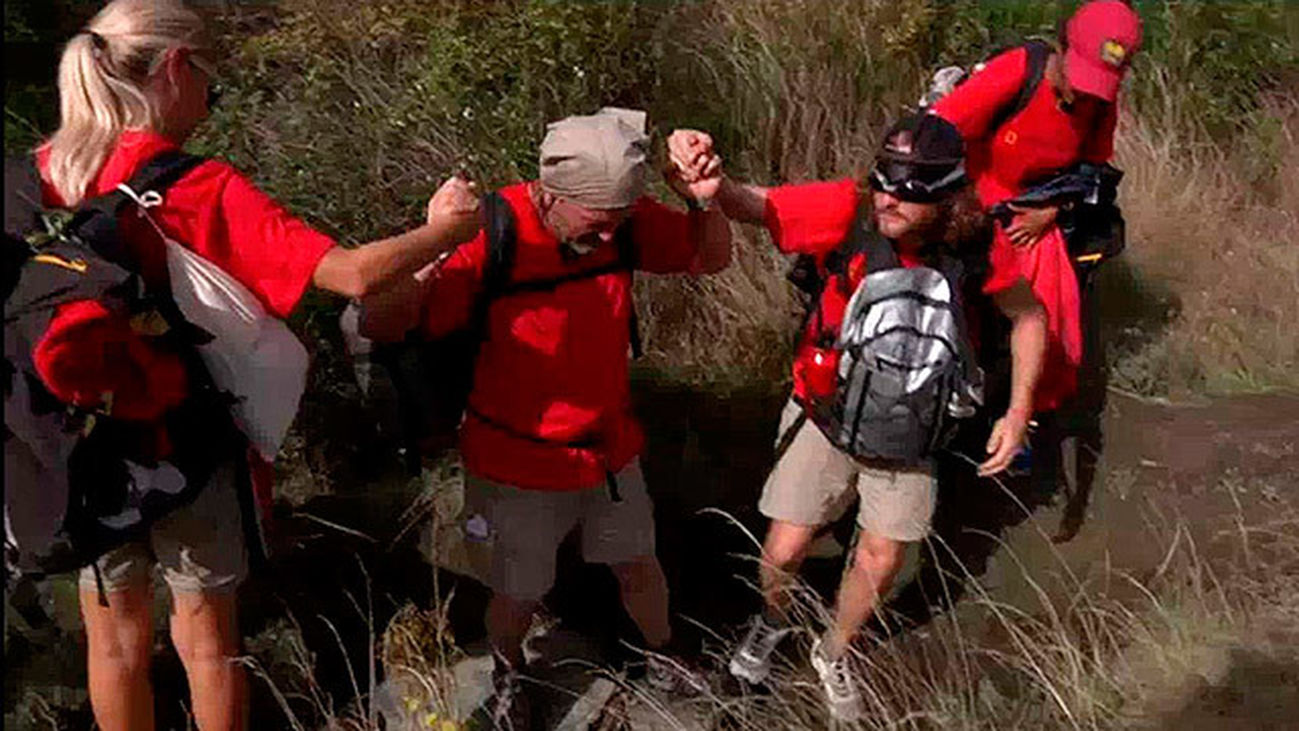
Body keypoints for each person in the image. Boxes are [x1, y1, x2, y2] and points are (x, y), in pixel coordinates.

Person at [19, 1, 481, 729]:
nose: (209, 101)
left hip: (74, 444)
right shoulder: (191, 184)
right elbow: (353, 275)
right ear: (176, 68)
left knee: (113, 644)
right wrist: (445, 230)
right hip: (187, 446)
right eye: (212, 82)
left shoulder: (35, 179)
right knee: (207, 642)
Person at [669, 114, 1046, 722]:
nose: (887, 199)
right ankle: (771, 624)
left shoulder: (978, 245)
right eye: (883, 181)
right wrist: (712, 184)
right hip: (827, 412)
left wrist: (1018, 410)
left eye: (908, 190)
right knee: (783, 551)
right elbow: (756, 205)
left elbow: (1028, 316)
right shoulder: (851, 211)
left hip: (914, 426)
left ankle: (834, 652)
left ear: (948, 198)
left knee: (882, 558)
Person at [368, 108, 730, 728]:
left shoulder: (621, 219)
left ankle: (664, 653)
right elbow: (383, 322)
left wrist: (704, 201)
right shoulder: (490, 234)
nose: (610, 238)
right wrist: (434, 241)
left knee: (638, 564)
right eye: (596, 224)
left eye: (619, 223)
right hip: (515, 461)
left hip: (608, 447)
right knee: (518, 590)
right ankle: (508, 673)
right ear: (550, 193)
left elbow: (710, 258)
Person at [930, 0, 1143, 541]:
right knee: (952, 313)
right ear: (1064, 48)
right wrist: (967, 212)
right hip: (973, 205)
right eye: (1082, 77)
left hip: (1035, 215)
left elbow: (1092, 170)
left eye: (1101, 85)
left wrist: (1052, 210)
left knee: (1049, 312)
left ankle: (1021, 419)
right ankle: (937, 414)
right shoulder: (1019, 73)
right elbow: (938, 134)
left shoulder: (1099, 105)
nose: (1086, 93)